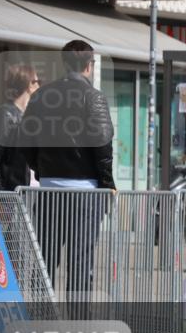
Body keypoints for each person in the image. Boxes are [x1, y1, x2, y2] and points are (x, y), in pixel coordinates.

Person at [20, 40, 115, 296]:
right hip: (85, 191)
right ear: (89, 66)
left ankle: (41, 316)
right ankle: (78, 318)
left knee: (45, 260)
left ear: (64, 63)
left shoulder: (41, 95)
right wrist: (108, 184)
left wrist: (41, 170)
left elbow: (25, 139)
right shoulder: (93, 97)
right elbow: (103, 145)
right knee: (81, 262)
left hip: (49, 189)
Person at [0, 63, 39, 190]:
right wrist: (0, 195)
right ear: (29, 84)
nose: (39, 86)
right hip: (11, 192)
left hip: (28, 192)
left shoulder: (28, 116)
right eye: (36, 81)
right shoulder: (4, 115)